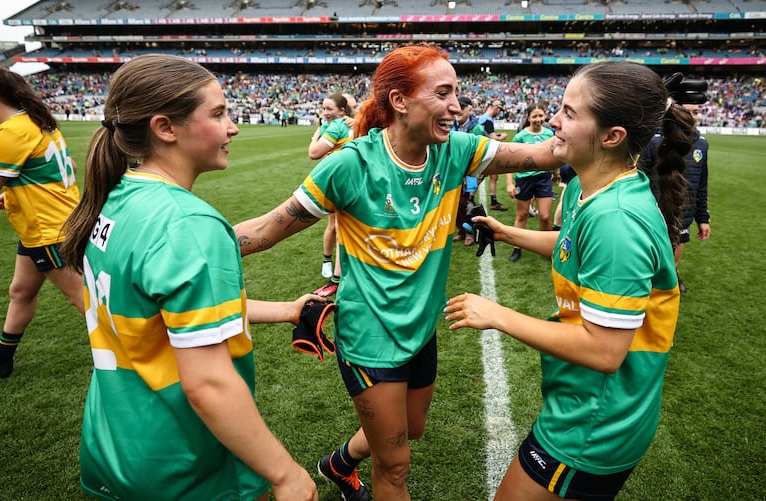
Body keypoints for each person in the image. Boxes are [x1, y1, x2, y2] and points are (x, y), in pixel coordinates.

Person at [232, 44, 558, 501]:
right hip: (370, 338)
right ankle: (353, 472)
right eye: (443, 93)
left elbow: (540, 156)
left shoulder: (457, 151)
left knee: (413, 429)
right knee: (395, 465)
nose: (456, 107)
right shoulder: (351, 165)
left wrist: (589, 118)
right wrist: (190, 250)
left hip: (421, 330)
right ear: (400, 101)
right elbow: (267, 229)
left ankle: (339, 462)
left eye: (457, 93)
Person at [59, 54, 318, 501]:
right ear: (165, 128)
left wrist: (287, 310)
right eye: (218, 114)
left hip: (114, 444)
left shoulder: (116, 197)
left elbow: (160, 314)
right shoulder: (188, 224)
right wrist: (286, 474)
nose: (233, 127)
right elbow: (208, 384)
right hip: (182, 461)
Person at [445, 60, 694, 500]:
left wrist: (497, 314)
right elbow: (571, 243)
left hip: (597, 421)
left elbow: (603, 352)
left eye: (569, 113)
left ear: (612, 137)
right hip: (583, 402)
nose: (554, 120)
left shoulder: (617, 221)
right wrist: (506, 230)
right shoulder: (589, 186)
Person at [0, 65, 84, 378]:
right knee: (21, 291)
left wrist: (0, 190)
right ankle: (1, 359)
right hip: (50, 225)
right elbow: (60, 168)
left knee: (84, 299)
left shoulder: (9, 133)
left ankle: (133, 359)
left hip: (50, 231)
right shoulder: (35, 122)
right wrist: (12, 194)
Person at [638, 102, 711, 293]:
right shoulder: (653, 142)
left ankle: (672, 275)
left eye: (696, 112)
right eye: (687, 112)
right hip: (653, 214)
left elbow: (701, 185)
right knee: (649, 261)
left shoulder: (702, 145)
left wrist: (703, 218)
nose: (693, 116)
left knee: (671, 261)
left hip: (683, 215)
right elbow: (639, 179)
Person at [308, 92, 356, 297]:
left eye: (329, 109)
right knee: (337, 227)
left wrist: (314, 138)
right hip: (348, 181)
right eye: (324, 108)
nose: (325, 112)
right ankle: (331, 265)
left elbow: (313, 153)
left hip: (342, 182)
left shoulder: (342, 125)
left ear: (343, 110)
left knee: (339, 228)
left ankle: (335, 274)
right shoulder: (349, 124)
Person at [505, 102, 555, 262]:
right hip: (524, 180)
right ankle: (517, 248)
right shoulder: (520, 136)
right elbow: (511, 160)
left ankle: (546, 248)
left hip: (543, 178)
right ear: (528, 117)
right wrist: (509, 183)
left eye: (541, 115)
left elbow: (555, 154)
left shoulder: (550, 134)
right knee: (522, 215)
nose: (538, 119)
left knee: (546, 217)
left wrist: (556, 172)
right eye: (535, 116)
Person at [452, 95, 481, 246]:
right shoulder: (453, 125)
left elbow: (480, 153)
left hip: (471, 172)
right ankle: (462, 231)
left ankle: (471, 232)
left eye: (463, 107)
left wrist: (477, 176)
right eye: (458, 107)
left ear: (470, 110)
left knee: (466, 202)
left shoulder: (477, 128)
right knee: (455, 203)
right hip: (456, 170)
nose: (459, 110)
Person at [477, 99, 510, 211]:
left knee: (493, 176)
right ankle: (469, 197)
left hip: (483, 150)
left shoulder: (484, 119)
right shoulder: (487, 120)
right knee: (482, 177)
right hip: (485, 152)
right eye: (499, 110)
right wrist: (502, 137)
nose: (499, 112)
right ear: (496, 108)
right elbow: (493, 138)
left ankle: (493, 201)